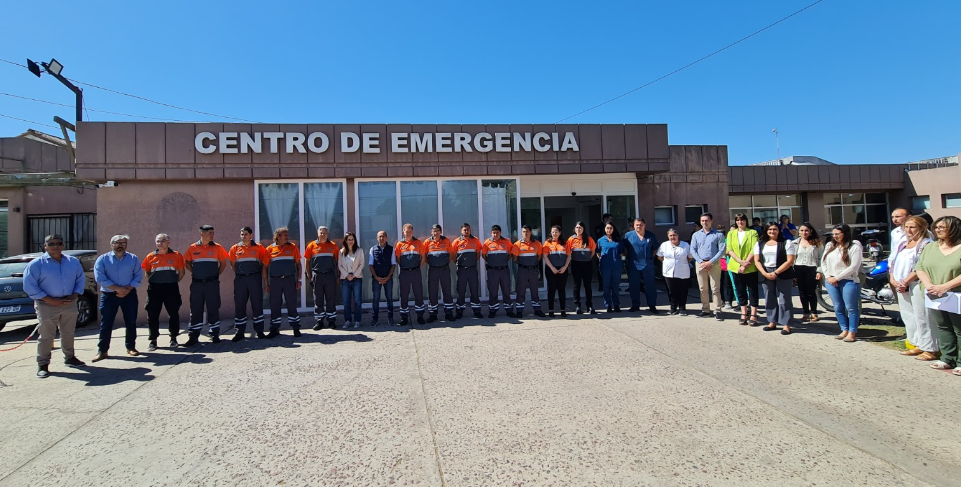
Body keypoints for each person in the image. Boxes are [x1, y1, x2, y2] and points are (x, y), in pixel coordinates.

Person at [23, 234, 87, 378]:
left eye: (59, 243)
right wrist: (49, 300)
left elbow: (80, 279)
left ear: (63, 245)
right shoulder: (36, 264)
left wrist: (75, 295)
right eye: (51, 244)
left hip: (69, 303)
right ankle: (43, 364)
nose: (55, 246)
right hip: (46, 304)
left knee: (68, 333)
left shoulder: (73, 262)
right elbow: (29, 286)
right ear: (45, 246)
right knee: (46, 336)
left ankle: (70, 358)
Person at [916, 216, 961, 375]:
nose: (938, 230)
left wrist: (945, 286)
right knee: (943, 327)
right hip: (934, 294)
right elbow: (920, 266)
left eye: (943, 227)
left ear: (954, 228)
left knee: (959, 329)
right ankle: (947, 358)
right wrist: (929, 285)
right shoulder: (930, 247)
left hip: (956, 294)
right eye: (936, 227)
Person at [890, 216, 938, 360]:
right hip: (901, 284)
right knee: (908, 316)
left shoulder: (926, 244)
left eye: (913, 227)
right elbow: (893, 261)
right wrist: (893, 279)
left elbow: (921, 266)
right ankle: (917, 343)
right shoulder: (903, 244)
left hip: (916, 284)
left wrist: (906, 281)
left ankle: (930, 348)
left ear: (922, 228)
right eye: (907, 227)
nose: (909, 230)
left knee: (923, 316)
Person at [92, 234, 143, 361]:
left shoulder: (133, 258)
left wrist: (127, 289)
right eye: (117, 242)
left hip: (129, 294)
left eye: (123, 243)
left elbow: (138, 276)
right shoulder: (102, 259)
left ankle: (131, 347)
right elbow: (100, 277)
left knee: (130, 322)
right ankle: (102, 350)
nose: (120, 245)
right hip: (109, 295)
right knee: (106, 323)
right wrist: (117, 289)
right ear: (111, 244)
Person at [183, 224, 229, 346]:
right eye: (209, 233)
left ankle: (214, 334)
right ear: (202, 234)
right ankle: (193, 336)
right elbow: (187, 263)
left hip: (212, 284)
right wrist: (196, 273)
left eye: (213, 233)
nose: (212, 235)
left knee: (213, 307)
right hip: (197, 284)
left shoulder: (218, 248)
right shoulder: (192, 248)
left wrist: (215, 276)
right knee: (196, 309)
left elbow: (223, 264)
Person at [142, 233, 186, 350]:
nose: (160, 243)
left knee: (173, 313)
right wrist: (153, 282)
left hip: (171, 288)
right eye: (158, 241)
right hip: (155, 289)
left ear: (168, 242)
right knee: (152, 314)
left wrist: (172, 282)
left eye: (162, 241)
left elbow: (181, 272)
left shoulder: (176, 255)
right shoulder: (150, 256)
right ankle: (153, 340)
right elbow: (147, 272)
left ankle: (173, 338)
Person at [822, 224, 864, 342]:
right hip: (831, 280)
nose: (835, 236)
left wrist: (837, 278)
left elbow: (854, 266)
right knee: (838, 307)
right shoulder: (830, 245)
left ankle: (852, 332)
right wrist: (829, 276)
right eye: (833, 234)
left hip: (849, 280)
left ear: (845, 234)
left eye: (837, 234)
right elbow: (823, 262)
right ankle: (844, 329)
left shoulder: (854, 246)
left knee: (851, 307)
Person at [754, 223, 797, 334]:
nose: (772, 231)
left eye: (775, 229)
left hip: (783, 272)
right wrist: (764, 273)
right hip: (766, 272)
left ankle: (786, 324)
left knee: (785, 299)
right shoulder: (759, 244)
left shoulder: (787, 242)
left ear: (779, 230)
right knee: (769, 297)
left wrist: (776, 272)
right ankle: (772, 321)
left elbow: (790, 260)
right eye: (770, 229)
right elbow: (757, 260)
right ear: (766, 231)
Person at [228, 227, 268, 341]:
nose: (243, 236)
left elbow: (264, 264)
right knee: (240, 305)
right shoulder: (234, 248)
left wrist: (264, 281)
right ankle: (239, 332)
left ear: (251, 235)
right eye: (241, 234)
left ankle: (259, 331)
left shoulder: (259, 248)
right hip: (240, 279)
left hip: (254, 278)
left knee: (257, 304)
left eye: (245, 234)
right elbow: (232, 265)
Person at [264, 227, 303, 337]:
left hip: (289, 279)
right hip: (275, 281)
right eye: (284, 235)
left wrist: (299, 279)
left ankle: (295, 327)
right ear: (278, 237)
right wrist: (266, 283)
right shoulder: (270, 249)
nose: (287, 236)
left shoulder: (293, 247)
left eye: (287, 234)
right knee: (275, 304)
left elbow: (298, 265)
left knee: (291, 304)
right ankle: (274, 329)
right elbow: (265, 267)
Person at [690, 212, 726, 321]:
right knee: (702, 288)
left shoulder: (718, 235)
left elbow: (722, 250)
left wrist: (710, 262)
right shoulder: (696, 235)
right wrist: (701, 261)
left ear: (711, 221)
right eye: (702, 221)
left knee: (715, 288)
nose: (704, 223)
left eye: (706, 220)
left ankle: (718, 310)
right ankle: (705, 309)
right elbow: (693, 249)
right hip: (700, 264)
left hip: (714, 264)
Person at [727, 214, 760, 326]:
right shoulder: (731, 233)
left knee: (752, 290)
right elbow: (729, 249)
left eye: (742, 220)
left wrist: (745, 264)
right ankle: (744, 314)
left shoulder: (752, 232)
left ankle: (754, 314)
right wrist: (740, 262)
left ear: (746, 221)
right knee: (740, 290)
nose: (740, 222)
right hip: (735, 266)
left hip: (750, 266)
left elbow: (754, 248)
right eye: (738, 220)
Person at [305, 226, 340, 330]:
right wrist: (309, 275)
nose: (322, 235)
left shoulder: (333, 246)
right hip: (317, 275)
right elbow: (307, 261)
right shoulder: (311, 245)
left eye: (324, 233)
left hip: (330, 275)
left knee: (331, 298)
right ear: (318, 234)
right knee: (318, 298)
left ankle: (331, 320)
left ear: (328, 235)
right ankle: (319, 321)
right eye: (321, 233)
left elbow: (338, 262)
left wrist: (338, 275)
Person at [623, 218, 660, 314]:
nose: (638, 226)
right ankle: (635, 305)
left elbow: (655, 248)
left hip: (647, 264)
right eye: (637, 225)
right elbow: (623, 248)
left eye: (640, 225)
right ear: (633, 226)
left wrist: (649, 258)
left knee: (650, 286)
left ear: (644, 225)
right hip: (633, 264)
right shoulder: (628, 236)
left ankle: (652, 305)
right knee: (634, 285)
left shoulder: (650, 235)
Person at [395, 223, 427, 326]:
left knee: (418, 294)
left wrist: (417, 267)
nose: (408, 233)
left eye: (409, 231)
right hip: (404, 272)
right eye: (406, 231)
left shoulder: (418, 243)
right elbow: (398, 259)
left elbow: (423, 257)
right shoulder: (399, 244)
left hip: (415, 272)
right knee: (404, 295)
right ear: (403, 232)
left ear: (412, 232)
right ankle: (404, 318)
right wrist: (405, 267)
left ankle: (420, 316)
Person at [656, 229, 693, 315]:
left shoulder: (685, 245)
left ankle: (682, 308)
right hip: (668, 272)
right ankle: (673, 308)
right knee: (671, 290)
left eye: (674, 235)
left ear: (678, 236)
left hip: (683, 271)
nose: (672, 237)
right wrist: (668, 263)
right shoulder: (664, 245)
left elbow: (690, 257)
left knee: (683, 290)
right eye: (670, 236)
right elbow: (659, 256)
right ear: (668, 236)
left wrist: (681, 262)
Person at [450, 223, 483, 319]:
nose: (466, 231)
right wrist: (461, 264)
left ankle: (477, 311)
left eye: (468, 229)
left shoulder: (476, 241)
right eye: (464, 230)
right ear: (461, 231)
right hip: (461, 270)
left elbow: (477, 255)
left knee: (474, 291)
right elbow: (453, 256)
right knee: (461, 291)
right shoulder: (456, 241)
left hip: (472, 269)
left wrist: (470, 263)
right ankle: (459, 311)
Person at [512, 225, 545, 318]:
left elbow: (539, 257)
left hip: (533, 271)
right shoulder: (517, 244)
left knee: (534, 291)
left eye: (527, 231)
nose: (525, 233)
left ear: (530, 232)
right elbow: (515, 259)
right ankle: (519, 311)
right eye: (523, 231)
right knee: (520, 291)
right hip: (523, 270)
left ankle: (537, 310)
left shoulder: (537, 244)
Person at [793, 223, 824, 323]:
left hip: (812, 268)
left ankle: (814, 312)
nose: (804, 232)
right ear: (799, 232)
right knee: (802, 292)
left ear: (810, 231)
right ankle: (806, 312)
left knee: (811, 292)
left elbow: (821, 258)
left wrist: (819, 271)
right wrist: (793, 273)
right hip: (799, 268)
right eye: (802, 230)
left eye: (806, 230)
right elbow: (792, 259)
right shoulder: (795, 243)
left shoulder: (817, 243)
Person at [482, 224, 514, 318]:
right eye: (493, 233)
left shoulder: (506, 242)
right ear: (491, 233)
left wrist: (503, 262)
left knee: (506, 291)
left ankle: (509, 310)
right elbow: (483, 255)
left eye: (497, 233)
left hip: (504, 270)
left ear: (500, 233)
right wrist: (491, 262)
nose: (495, 234)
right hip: (492, 271)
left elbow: (510, 254)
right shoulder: (487, 242)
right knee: (493, 292)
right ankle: (492, 310)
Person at [425, 224, 455, 322]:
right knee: (432, 291)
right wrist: (433, 264)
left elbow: (451, 255)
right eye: (434, 231)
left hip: (444, 269)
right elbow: (424, 256)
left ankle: (449, 313)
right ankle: (433, 314)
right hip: (433, 269)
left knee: (447, 290)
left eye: (437, 231)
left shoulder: (446, 241)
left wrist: (444, 263)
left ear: (441, 232)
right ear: (431, 232)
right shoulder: (427, 242)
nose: (436, 233)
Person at [566, 222, 597, 315]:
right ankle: (577, 305)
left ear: (583, 229)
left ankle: (589, 305)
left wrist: (587, 259)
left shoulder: (589, 238)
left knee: (587, 285)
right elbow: (568, 253)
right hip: (576, 265)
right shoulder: (571, 239)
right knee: (577, 285)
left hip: (587, 264)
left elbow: (593, 251)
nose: (578, 229)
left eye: (580, 227)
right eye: (577, 227)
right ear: (574, 229)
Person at [368, 230, 395, 326]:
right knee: (375, 299)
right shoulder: (373, 249)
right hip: (376, 278)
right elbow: (370, 265)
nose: (381, 238)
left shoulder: (391, 249)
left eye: (383, 236)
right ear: (377, 238)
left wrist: (388, 277)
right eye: (379, 236)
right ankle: (374, 319)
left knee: (389, 299)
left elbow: (393, 264)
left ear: (386, 237)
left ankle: (390, 318)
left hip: (388, 278)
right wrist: (376, 277)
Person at [543, 225, 571, 317]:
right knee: (551, 290)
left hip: (562, 269)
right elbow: (545, 257)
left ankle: (563, 310)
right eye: (553, 232)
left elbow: (569, 256)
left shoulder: (565, 243)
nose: (554, 233)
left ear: (560, 233)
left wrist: (565, 267)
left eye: (556, 232)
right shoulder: (547, 243)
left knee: (561, 289)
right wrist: (552, 268)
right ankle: (551, 310)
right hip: (551, 269)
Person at [339, 232, 364, 329]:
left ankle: (357, 320)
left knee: (357, 301)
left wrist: (354, 275)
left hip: (356, 278)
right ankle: (348, 320)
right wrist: (347, 275)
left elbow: (362, 264)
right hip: (345, 279)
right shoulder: (341, 251)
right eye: (349, 239)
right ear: (345, 240)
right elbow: (339, 265)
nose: (350, 241)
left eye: (352, 239)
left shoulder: (359, 251)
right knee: (346, 301)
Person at [597, 222, 623, 313]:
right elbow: (598, 252)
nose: (609, 230)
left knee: (615, 286)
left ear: (613, 229)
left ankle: (616, 305)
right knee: (606, 286)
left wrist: (618, 259)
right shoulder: (601, 240)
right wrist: (601, 259)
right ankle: (608, 305)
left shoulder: (618, 240)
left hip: (616, 266)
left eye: (611, 228)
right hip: (605, 266)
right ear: (605, 229)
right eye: (607, 228)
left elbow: (622, 252)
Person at [593, 213, 619, 292]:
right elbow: (598, 238)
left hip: (612, 253)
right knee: (601, 270)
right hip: (602, 252)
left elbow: (617, 237)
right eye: (610, 219)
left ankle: (612, 285)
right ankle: (601, 285)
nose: (611, 221)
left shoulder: (613, 227)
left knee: (612, 272)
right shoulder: (599, 227)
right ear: (605, 219)